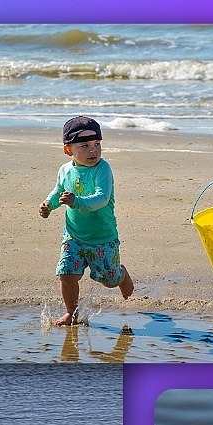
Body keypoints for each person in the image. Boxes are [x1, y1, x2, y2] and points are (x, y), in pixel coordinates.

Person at [39, 116, 134, 327]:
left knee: (108, 279)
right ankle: (71, 314)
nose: (93, 150)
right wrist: (48, 204)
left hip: (102, 237)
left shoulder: (103, 169)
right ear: (68, 150)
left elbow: (101, 198)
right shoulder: (65, 170)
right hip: (73, 236)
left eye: (97, 144)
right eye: (85, 146)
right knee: (66, 273)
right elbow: (58, 192)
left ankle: (121, 275)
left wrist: (76, 201)